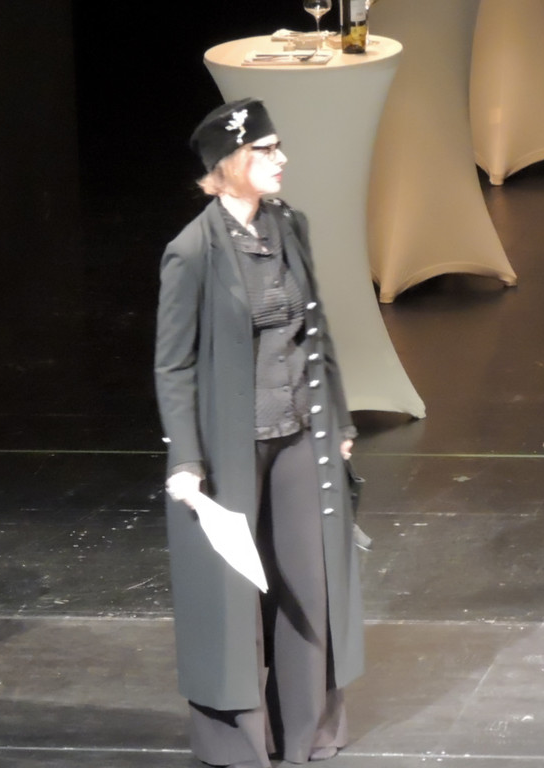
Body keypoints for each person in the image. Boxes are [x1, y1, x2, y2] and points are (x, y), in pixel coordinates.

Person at [154, 98, 364, 767]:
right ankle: (237, 742)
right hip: (231, 448)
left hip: (299, 430)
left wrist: (339, 419)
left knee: (307, 579)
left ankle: (304, 731)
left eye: (277, 148)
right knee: (233, 596)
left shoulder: (289, 226)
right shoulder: (192, 251)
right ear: (229, 164)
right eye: (265, 151)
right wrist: (186, 459)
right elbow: (173, 364)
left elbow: (316, 329)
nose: (281, 160)